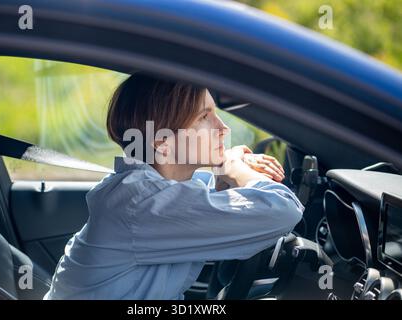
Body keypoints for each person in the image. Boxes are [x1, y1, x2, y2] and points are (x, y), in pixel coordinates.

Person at [44, 73, 304, 300]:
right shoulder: (144, 203)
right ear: (161, 140)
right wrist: (234, 168)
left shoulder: (154, 191)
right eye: (204, 117)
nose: (223, 128)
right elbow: (286, 210)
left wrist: (225, 170)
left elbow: (211, 204)